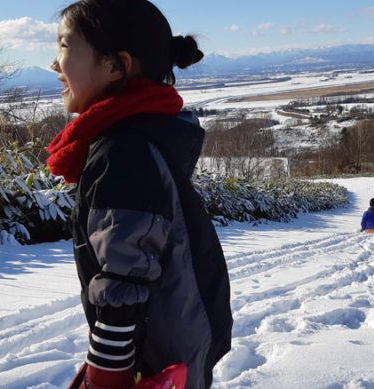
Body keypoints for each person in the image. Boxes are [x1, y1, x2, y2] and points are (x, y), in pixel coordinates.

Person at [46, 1, 232, 388]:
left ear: (117, 66)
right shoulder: (144, 136)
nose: (54, 64)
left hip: (158, 357)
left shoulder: (125, 152)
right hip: (174, 339)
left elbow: (123, 277)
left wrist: (105, 376)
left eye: (65, 46)